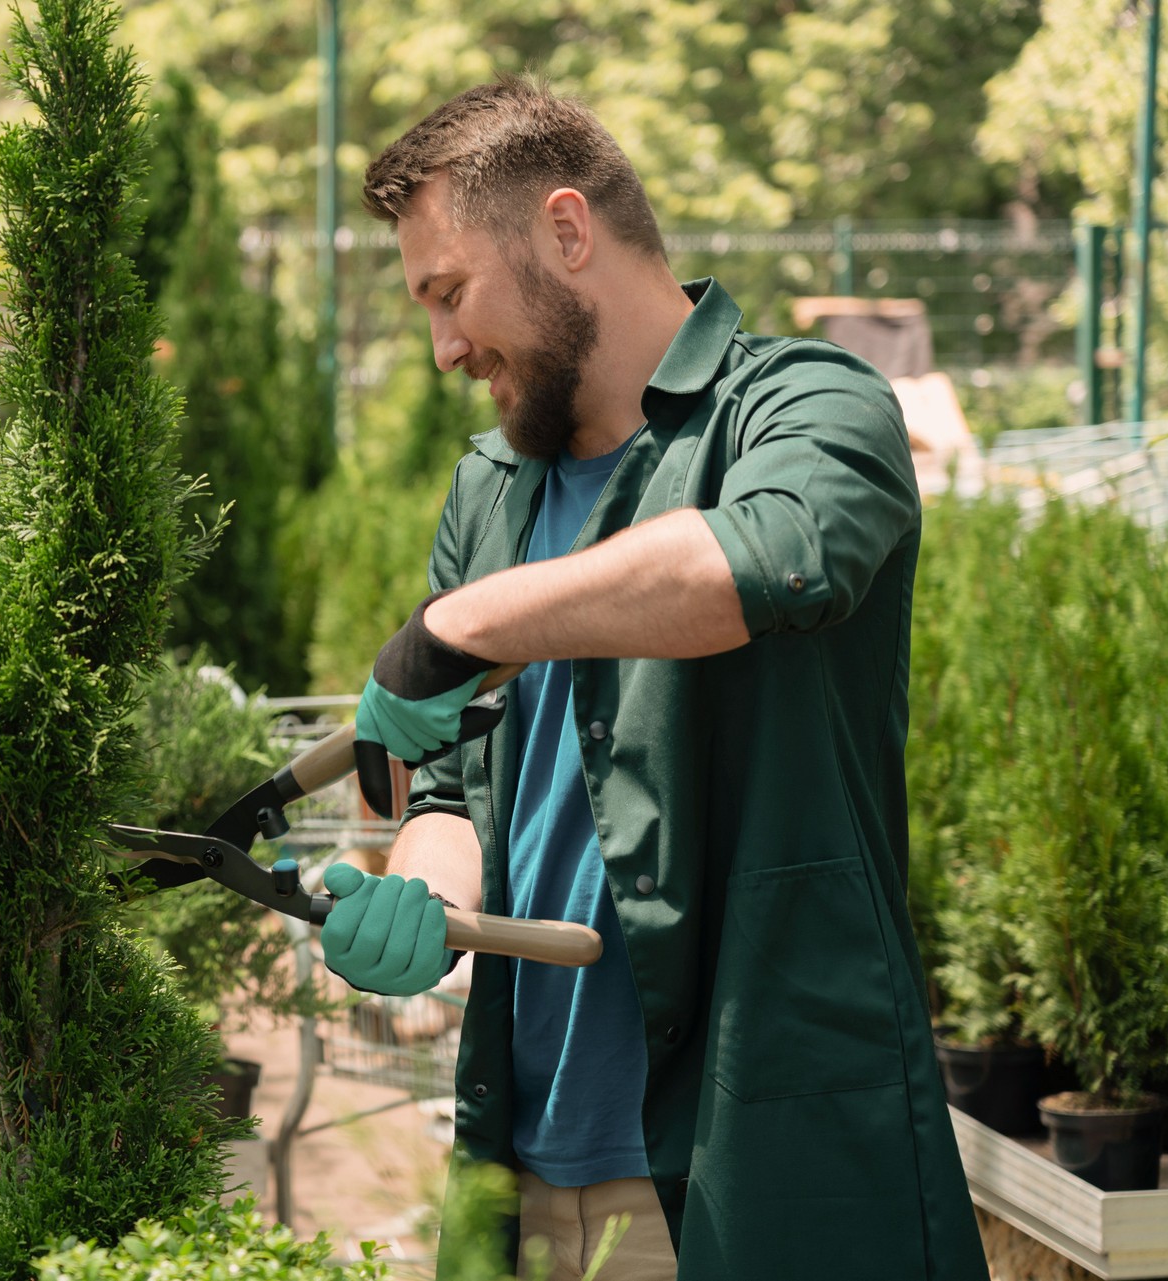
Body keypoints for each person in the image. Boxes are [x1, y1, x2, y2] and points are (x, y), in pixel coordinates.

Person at [315, 77, 988, 1281]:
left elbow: (758, 559)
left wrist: (458, 626)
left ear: (567, 231)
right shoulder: (491, 488)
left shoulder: (807, 406)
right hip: (520, 1173)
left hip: (745, 1175)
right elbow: (453, 796)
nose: (444, 348)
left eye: (450, 294)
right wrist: (421, 896)